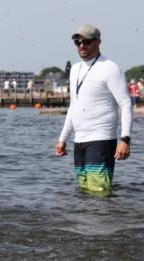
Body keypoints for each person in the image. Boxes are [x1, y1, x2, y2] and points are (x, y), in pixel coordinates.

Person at [54, 25, 132, 197]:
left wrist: (125, 139)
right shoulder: (75, 69)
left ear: (98, 42)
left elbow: (125, 104)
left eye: (87, 42)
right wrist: (63, 138)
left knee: (99, 195)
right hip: (79, 141)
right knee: (85, 194)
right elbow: (73, 106)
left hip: (101, 139)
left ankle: (105, 223)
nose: (82, 46)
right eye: (78, 42)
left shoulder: (109, 67)